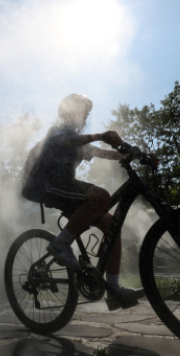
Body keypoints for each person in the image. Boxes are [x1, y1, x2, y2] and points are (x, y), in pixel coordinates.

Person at [22, 93, 146, 311]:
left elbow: (104, 154)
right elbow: (66, 142)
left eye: (87, 115)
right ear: (69, 112)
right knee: (101, 196)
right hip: (47, 185)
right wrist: (99, 135)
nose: (85, 118)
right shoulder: (58, 131)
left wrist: (138, 154)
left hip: (65, 186)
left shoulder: (79, 140)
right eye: (83, 113)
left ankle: (114, 290)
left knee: (112, 225)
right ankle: (59, 245)